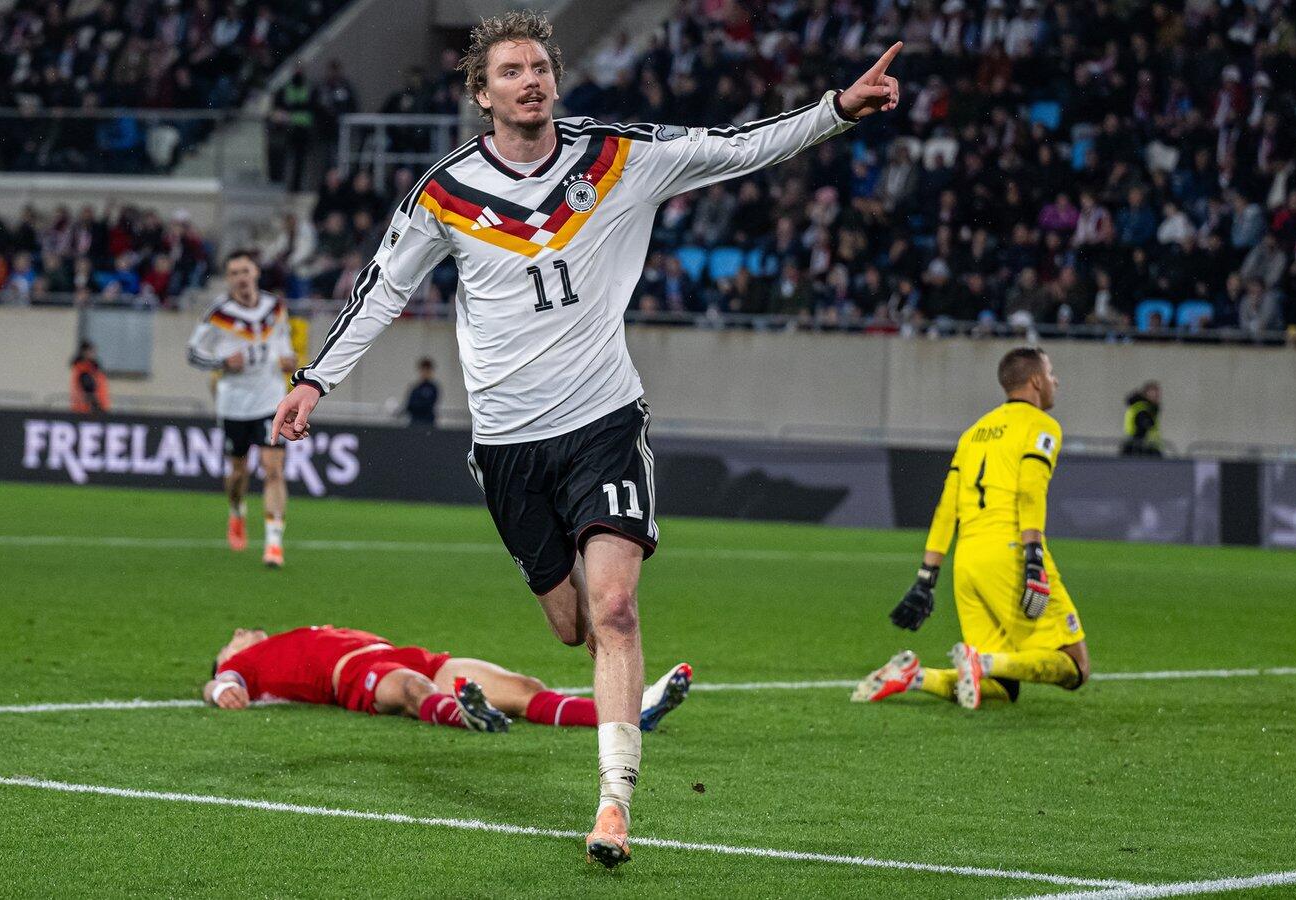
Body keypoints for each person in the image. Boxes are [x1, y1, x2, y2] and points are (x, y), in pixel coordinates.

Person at [271, 10, 902, 866]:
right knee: (572, 626)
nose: (529, 81)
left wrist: (835, 109)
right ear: (481, 94)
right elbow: (381, 289)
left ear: (555, 79)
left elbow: (735, 147)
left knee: (615, 609)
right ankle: (597, 672)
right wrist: (315, 379)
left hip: (604, 421)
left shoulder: (616, 157)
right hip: (507, 446)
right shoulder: (444, 192)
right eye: (510, 72)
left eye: (539, 67)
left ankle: (614, 803)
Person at [853, 347, 1092, 710]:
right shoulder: (1041, 425)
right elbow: (1030, 491)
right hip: (1009, 556)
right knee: (1076, 665)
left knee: (1002, 688)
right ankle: (981, 662)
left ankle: (914, 676)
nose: (1055, 381)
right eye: (1051, 373)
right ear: (1035, 381)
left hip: (967, 564)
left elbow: (946, 508)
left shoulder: (973, 434)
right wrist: (1033, 558)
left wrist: (926, 577)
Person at [203, 625, 692, 735]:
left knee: (524, 687)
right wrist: (223, 687)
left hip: (414, 655)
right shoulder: (243, 666)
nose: (240, 632)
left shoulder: (285, 637)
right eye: (231, 639)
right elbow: (218, 685)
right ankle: (464, 715)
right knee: (411, 689)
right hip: (353, 677)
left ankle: (633, 713)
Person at [187, 251, 298, 568]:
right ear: (228, 279)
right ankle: (237, 511)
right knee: (238, 472)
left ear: (256, 273)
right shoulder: (218, 313)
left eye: (245, 271)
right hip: (234, 403)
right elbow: (193, 353)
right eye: (234, 273)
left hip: (270, 400)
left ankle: (274, 544)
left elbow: (283, 344)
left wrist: (288, 360)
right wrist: (222, 362)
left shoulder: (275, 307)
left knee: (273, 468)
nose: (241, 277)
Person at [1122, 381, 1164, 456]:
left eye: (1157, 395)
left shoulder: (1146, 409)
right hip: (1141, 450)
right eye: (1153, 394)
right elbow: (1142, 431)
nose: (1156, 397)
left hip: (1140, 448)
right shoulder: (1143, 410)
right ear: (1146, 394)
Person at [69, 340, 110, 414]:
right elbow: (89, 389)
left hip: (87, 410)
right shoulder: (85, 369)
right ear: (84, 352)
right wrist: (98, 407)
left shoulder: (90, 369)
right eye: (91, 351)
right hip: (89, 411)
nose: (93, 354)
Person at [403, 357, 439, 426]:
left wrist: (416, 406)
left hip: (427, 422)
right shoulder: (416, 388)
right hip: (415, 422)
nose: (425, 373)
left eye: (427, 370)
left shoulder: (432, 388)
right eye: (423, 370)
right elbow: (409, 405)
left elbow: (428, 405)